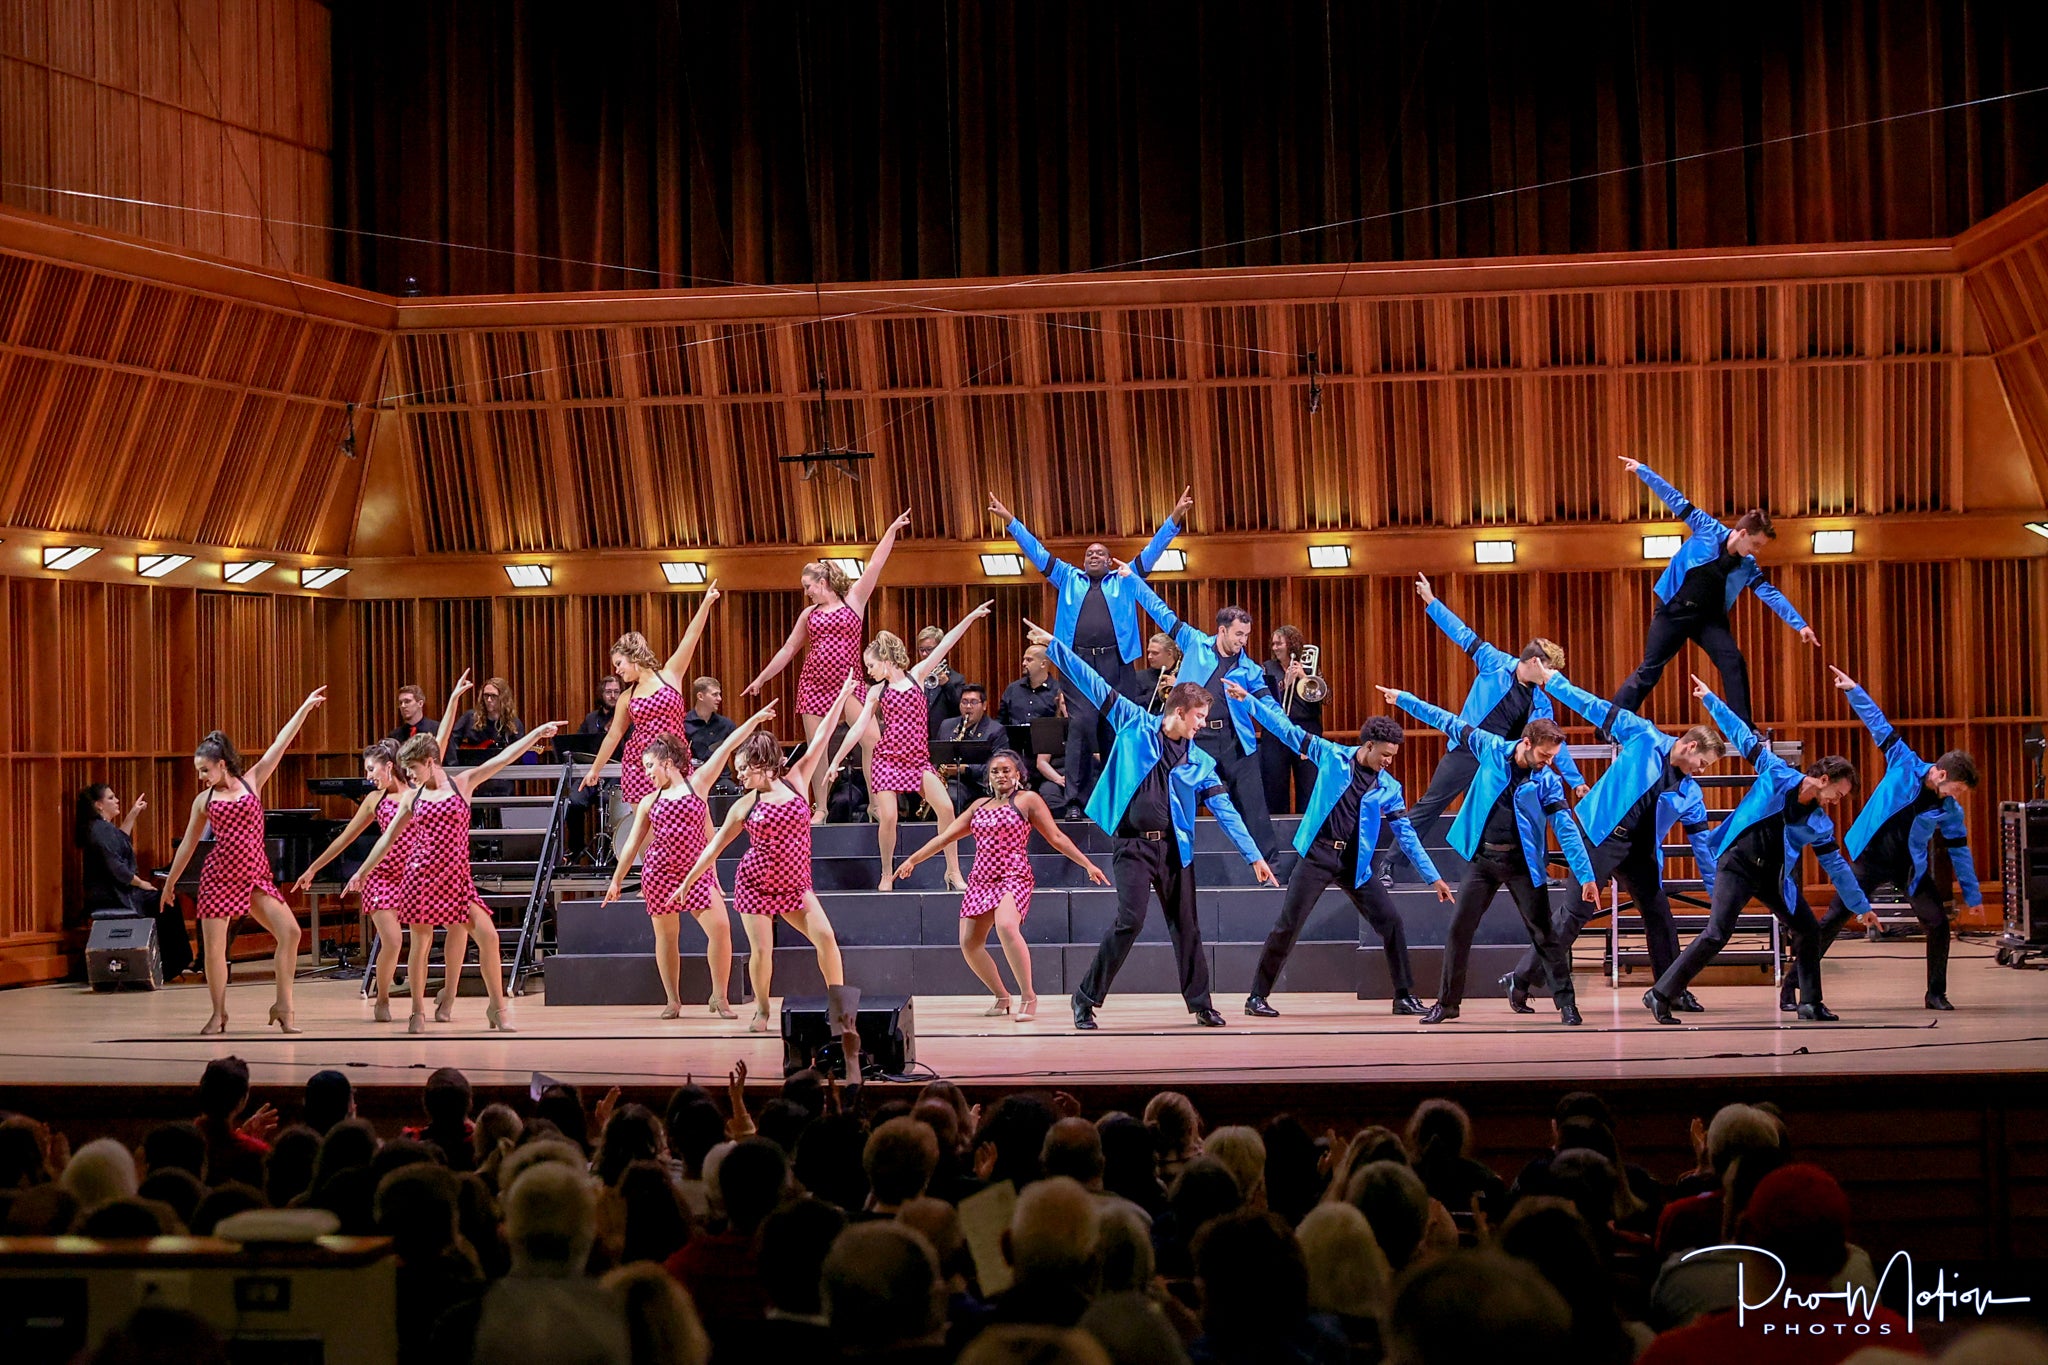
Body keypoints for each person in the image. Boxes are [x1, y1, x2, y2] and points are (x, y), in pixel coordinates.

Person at [1030, 622, 1276, 1031]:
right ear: (1179, 712)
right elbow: (1093, 683)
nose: (1202, 725)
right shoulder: (1135, 724)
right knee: (1130, 921)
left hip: (1174, 850)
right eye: (1198, 717)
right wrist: (1055, 647)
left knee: (1187, 927)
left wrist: (1254, 856)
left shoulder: (1200, 762)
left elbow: (1226, 810)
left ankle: (1201, 1004)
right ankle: (1085, 998)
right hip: (1132, 846)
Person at [1644, 676, 1868, 1024]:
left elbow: (1836, 865)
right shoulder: (1777, 774)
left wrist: (1860, 906)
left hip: (1771, 877)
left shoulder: (1820, 823)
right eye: (1839, 793)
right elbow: (1743, 737)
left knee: (1808, 929)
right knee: (1717, 933)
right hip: (1736, 864)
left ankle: (1810, 1003)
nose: (1838, 801)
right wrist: (1711, 700)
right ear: (1824, 780)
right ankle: (1660, 993)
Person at [1503, 666, 1723, 1014]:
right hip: (1598, 837)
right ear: (1691, 745)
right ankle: (1522, 978)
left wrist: (1718, 894)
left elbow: (1703, 848)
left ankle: (1671, 989)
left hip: (1638, 852)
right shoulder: (1644, 736)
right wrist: (1554, 682)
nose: (1702, 769)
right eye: (1703, 762)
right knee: (1575, 913)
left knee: (1659, 913)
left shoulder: (1690, 793)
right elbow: (1593, 706)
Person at [1224, 687, 1451, 1018]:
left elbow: (1407, 835)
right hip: (1318, 855)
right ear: (1368, 746)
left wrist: (1434, 877)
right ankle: (1256, 996)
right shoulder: (1331, 755)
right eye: (1385, 754)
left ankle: (1403, 996)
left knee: (1391, 922)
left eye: (1394, 755)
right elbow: (1287, 731)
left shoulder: (1389, 787)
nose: (1389, 761)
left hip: (1354, 863)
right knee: (1289, 924)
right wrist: (1251, 703)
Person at [1376, 685, 1597, 1025]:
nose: (1548, 763)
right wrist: (1404, 700)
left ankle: (1567, 1005)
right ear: (1526, 743)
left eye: (1552, 758)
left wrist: (1586, 876)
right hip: (1483, 862)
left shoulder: (1547, 781)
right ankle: (1447, 1004)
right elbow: (1447, 721)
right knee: (1459, 931)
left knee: (1544, 935)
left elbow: (1566, 829)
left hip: (1523, 865)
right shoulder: (1491, 748)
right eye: (1544, 755)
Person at [346, 715, 566, 1032]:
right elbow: (387, 839)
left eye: (413, 769)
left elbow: (503, 758)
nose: (409, 775)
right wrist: (362, 872)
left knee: (488, 937)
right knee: (421, 944)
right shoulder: (413, 796)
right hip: (421, 878)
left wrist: (535, 734)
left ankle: (497, 1008)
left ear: (430, 761)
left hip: (456, 879)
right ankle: (418, 1012)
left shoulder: (462, 783)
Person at [990, 487, 1192, 816]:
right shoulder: (1067, 576)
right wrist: (1011, 522)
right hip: (1078, 664)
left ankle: (1119, 800)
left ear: (1109, 558)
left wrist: (1174, 518)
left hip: (1117, 663)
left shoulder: (1124, 578)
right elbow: (1037, 552)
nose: (1093, 556)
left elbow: (1153, 551)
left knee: (1117, 729)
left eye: (1100, 553)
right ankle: (1075, 802)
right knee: (1082, 728)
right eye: (1089, 554)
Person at [1378, 575, 1586, 885]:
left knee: (1532, 808)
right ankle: (1388, 866)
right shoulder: (1494, 662)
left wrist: (1577, 781)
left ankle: (1537, 874)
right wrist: (1432, 602)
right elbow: (1462, 634)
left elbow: (1555, 745)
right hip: (1468, 747)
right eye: (1548, 670)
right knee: (1429, 805)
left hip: (1502, 760)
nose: (1550, 678)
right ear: (1532, 661)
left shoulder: (1541, 701)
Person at [679, 675, 858, 1034]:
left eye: (745, 769)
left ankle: (841, 1010)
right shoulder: (744, 805)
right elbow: (713, 847)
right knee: (763, 951)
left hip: (795, 884)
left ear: (763, 764)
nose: (740, 775)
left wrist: (841, 694)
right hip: (755, 883)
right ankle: (762, 1010)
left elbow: (821, 736)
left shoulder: (796, 780)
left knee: (826, 938)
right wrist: (687, 881)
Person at [293, 674, 471, 1021]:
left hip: (415, 874)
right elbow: (345, 837)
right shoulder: (374, 800)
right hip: (381, 876)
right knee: (392, 941)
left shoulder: (416, 791)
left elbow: (441, 738)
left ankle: (443, 996)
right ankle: (384, 996)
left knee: (441, 933)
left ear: (390, 767)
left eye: (372, 769)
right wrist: (314, 867)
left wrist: (451, 701)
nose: (368, 776)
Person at [159, 688, 328, 1035]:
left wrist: (304, 709)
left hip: (254, 875)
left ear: (222, 764)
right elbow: (188, 846)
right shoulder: (203, 800)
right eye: (199, 771)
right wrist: (170, 883)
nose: (201, 776)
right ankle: (218, 1013)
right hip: (219, 876)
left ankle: (283, 1005)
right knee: (215, 952)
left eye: (205, 769)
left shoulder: (252, 781)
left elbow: (279, 745)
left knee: (291, 933)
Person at [895, 749, 1109, 1022]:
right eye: (995, 771)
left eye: (1006, 770)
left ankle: (1029, 996)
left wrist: (1087, 864)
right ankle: (1001, 995)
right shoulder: (979, 806)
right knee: (969, 942)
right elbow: (945, 837)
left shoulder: (1027, 800)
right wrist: (912, 859)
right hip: (981, 879)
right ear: (989, 777)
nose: (1001, 775)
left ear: (1018, 774)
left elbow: (1056, 836)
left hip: (1013, 876)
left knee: (1007, 926)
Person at [1816, 667, 1981, 1011]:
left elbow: (1960, 852)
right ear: (1941, 773)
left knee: (1937, 923)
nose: (1959, 795)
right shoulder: (1904, 763)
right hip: (1870, 858)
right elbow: (1879, 725)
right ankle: (1794, 986)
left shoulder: (1950, 811)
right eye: (1958, 788)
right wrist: (1853, 690)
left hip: (1910, 868)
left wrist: (1973, 895)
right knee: (1833, 919)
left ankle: (1936, 993)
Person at [1609, 458, 1819, 724]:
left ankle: (1744, 728)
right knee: (1649, 670)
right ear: (1742, 533)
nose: (1756, 550)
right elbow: (1674, 498)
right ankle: (1611, 723)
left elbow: (1770, 593)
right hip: (1674, 610)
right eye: (1755, 543)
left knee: (1733, 661)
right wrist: (1642, 471)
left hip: (1708, 618)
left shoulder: (1748, 566)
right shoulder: (1706, 527)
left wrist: (1800, 625)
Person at [603, 708, 781, 1020]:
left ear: (667, 763)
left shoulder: (697, 784)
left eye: (650, 766)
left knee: (721, 929)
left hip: (696, 872)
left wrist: (753, 721)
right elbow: (631, 843)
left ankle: (720, 996)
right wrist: (617, 880)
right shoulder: (649, 801)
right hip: (659, 873)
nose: (647, 773)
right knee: (667, 937)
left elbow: (726, 746)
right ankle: (673, 1000)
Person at [743, 511, 912, 819]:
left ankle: (876, 801)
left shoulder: (853, 600)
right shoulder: (809, 615)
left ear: (823, 582)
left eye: (808, 586)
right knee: (817, 748)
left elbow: (875, 565)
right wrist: (761, 678)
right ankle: (819, 807)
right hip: (814, 685)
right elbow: (789, 648)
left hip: (848, 685)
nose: (806, 592)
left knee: (872, 738)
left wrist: (890, 531)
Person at [829, 605, 995, 893]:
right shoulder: (876, 692)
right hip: (887, 760)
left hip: (917, 761)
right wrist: (835, 762)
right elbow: (858, 728)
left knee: (945, 808)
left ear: (885, 659)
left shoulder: (916, 676)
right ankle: (885, 872)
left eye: (870, 665)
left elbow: (945, 644)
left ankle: (953, 871)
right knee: (889, 816)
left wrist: (968, 617)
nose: (868, 672)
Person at [1120, 565, 1279, 860]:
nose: (1243, 640)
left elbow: (1273, 712)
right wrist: (1133, 583)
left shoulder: (1251, 670)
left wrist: (1294, 735)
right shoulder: (1194, 642)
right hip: (1195, 739)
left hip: (1235, 743)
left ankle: (1272, 868)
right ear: (1222, 630)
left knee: (1255, 809)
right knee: (1172, 800)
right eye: (1238, 634)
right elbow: (1162, 612)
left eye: (1246, 635)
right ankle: (1165, 859)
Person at [581, 585, 721, 820]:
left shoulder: (670, 675)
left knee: (685, 824)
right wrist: (595, 769)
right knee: (648, 834)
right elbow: (614, 735)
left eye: (619, 663)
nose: (617, 670)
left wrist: (705, 603)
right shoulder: (627, 696)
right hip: (639, 767)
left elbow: (691, 637)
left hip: (676, 761)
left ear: (633, 658)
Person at [76, 783, 193, 979]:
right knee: (164, 903)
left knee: (163, 900)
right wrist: (140, 883)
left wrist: (132, 814)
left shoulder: (102, 828)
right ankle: (173, 963)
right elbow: (116, 867)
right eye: (111, 798)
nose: (117, 800)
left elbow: (120, 840)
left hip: (117, 891)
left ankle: (173, 961)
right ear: (98, 805)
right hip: (114, 895)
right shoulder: (100, 829)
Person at [1259, 626, 1323, 816]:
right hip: (1276, 730)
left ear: (1291, 644)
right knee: (1275, 782)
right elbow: (1263, 699)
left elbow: (1324, 698)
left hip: (1306, 729)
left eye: (1279, 643)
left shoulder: (1310, 667)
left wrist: (1304, 677)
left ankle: (1309, 830)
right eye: (1273, 643)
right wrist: (1284, 684)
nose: (1275, 647)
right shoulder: (1267, 668)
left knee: (1309, 782)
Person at [937, 684, 1007, 810]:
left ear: (984, 705)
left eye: (974, 702)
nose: (968, 706)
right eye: (964, 702)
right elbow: (936, 756)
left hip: (978, 784)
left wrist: (965, 769)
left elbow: (998, 765)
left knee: (950, 797)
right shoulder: (946, 726)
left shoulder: (995, 730)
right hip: (948, 781)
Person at [449, 677, 525, 759]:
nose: (489, 700)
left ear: (503, 698)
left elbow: (518, 754)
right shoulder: (470, 717)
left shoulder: (514, 724)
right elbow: (452, 740)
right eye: (486, 695)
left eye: (493, 696)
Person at [917, 625, 968, 738]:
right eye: (921, 650)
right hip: (919, 739)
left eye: (929, 649)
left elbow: (961, 710)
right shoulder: (915, 677)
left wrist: (946, 685)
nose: (924, 654)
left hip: (943, 739)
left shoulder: (956, 679)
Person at [999, 645, 1062, 726]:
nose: (1023, 663)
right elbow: (1001, 721)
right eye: (1024, 659)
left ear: (1043, 664)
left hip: (1045, 737)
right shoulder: (1013, 689)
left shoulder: (1058, 691)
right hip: (1016, 737)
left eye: (1029, 660)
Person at [683, 678, 735, 767]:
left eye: (719, 694)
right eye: (715, 694)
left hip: (720, 777)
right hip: (693, 775)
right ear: (700, 696)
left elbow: (742, 751)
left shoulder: (727, 725)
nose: (720, 698)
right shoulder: (683, 724)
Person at [1138, 631, 1181, 715]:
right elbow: (1132, 704)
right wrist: (1158, 694)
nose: (1149, 657)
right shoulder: (1140, 677)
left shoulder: (1184, 675)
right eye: (1149, 652)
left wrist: (1177, 687)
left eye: (1155, 653)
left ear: (1169, 653)